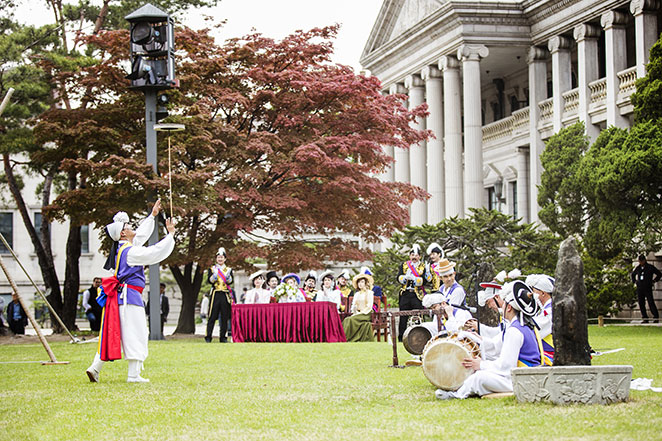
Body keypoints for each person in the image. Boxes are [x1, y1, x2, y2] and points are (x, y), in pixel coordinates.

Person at [86, 199, 175, 383]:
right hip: (129, 297)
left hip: (122, 297)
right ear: (123, 233)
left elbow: (140, 236)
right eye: (128, 225)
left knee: (116, 332)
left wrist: (153, 216)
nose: (131, 226)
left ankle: (95, 367)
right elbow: (153, 253)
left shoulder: (125, 248)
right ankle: (133, 375)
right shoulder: (130, 252)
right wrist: (170, 235)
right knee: (136, 332)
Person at [435, 281, 543, 400]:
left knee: (479, 377)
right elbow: (496, 345)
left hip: (522, 379)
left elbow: (505, 367)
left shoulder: (515, 330)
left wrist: (481, 364)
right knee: (479, 374)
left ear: (509, 308)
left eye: (505, 303)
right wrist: (470, 336)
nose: (502, 306)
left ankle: (456, 395)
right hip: (523, 376)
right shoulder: (519, 326)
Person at [397, 244, 426, 340]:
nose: (414, 257)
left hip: (417, 294)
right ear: (410, 256)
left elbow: (425, 280)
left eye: (416, 255)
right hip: (405, 293)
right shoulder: (405, 265)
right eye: (412, 254)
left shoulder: (423, 266)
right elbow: (398, 277)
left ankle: (419, 336)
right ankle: (401, 337)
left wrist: (416, 279)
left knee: (418, 315)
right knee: (403, 316)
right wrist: (404, 278)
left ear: (419, 257)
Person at [206, 247, 234, 343]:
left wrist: (228, 278)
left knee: (224, 316)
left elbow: (231, 282)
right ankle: (208, 336)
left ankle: (223, 337)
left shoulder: (229, 270)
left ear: (225, 259)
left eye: (222, 257)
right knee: (212, 315)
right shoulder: (212, 269)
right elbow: (209, 281)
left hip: (225, 294)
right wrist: (214, 276)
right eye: (218, 257)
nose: (220, 259)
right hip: (215, 293)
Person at [527, 274, 555, 363]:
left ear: (543, 293)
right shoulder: (543, 310)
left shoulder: (550, 310)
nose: (531, 294)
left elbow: (535, 331)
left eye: (534, 291)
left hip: (551, 357)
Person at [342, 273, 375, 342]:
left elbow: (369, 306)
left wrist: (361, 313)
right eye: (359, 282)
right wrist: (355, 310)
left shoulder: (369, 293)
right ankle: (344, 337)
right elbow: (354, 305)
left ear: (366, 283)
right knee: (346, 319)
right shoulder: (357, 294)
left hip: (366, 313)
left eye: (362, 282)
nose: (360, 284)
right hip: (357, 313)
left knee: (350, 320)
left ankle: (346, 338)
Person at [631, 255, 661, 323]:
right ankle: (645, 317)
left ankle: (656, 317)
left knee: (650, 302)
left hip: (647, 287)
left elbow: (659, 274)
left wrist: (654, 281)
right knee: (641, 303)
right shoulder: (638, 268)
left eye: (642, 261)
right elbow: (633, 275)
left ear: (644, 260)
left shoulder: (650, 267)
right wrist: (635, 282)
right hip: (640, 288)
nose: (641, 262)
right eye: (640, 261)